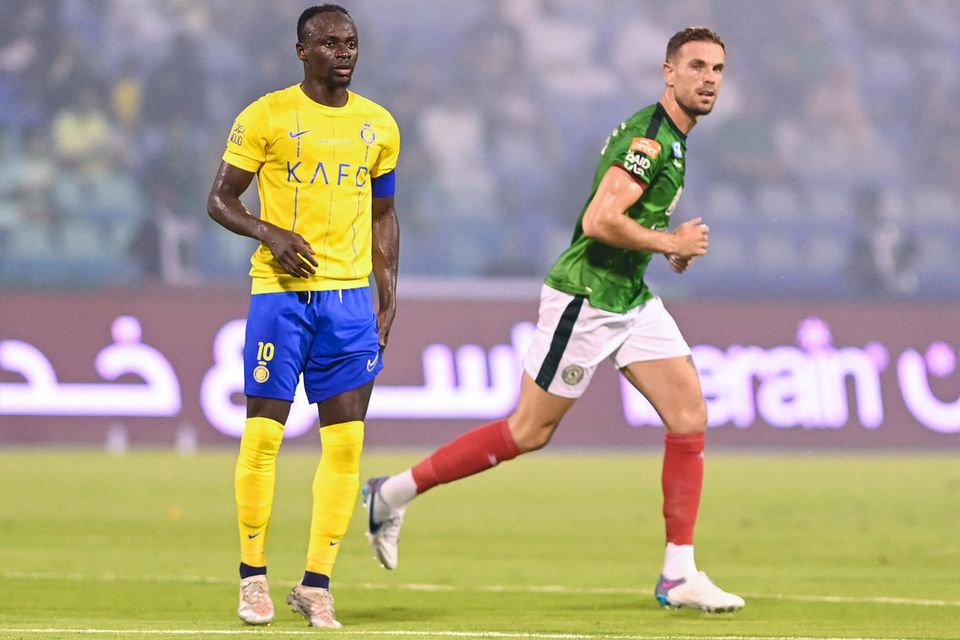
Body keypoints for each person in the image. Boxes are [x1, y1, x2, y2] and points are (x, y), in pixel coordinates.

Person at [363, 27, 744, 614]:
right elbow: (598, 219)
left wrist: (658, 250)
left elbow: (621, 221)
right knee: (528, 432)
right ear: (668, 73)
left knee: (690, 411)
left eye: (717, 69)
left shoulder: (673, 138)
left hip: (629, 294)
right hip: (586, 298)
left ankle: (679, 573)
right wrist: (669, 238)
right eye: (696, 66)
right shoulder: (649, 142)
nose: (709, 79)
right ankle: (390, 493)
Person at [207, 4, 400, 628]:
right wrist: (271, 233)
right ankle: (253, 579)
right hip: (280, 297)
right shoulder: (265, 116)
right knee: (263, 436)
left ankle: (316, 584)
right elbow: (219, 198)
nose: (344, 53)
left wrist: (388, 290)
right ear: (303, 50)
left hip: (349, 303)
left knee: (346, 447)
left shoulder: (379, 126)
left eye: (352, 43)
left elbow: (383, 214)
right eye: (330, 43)